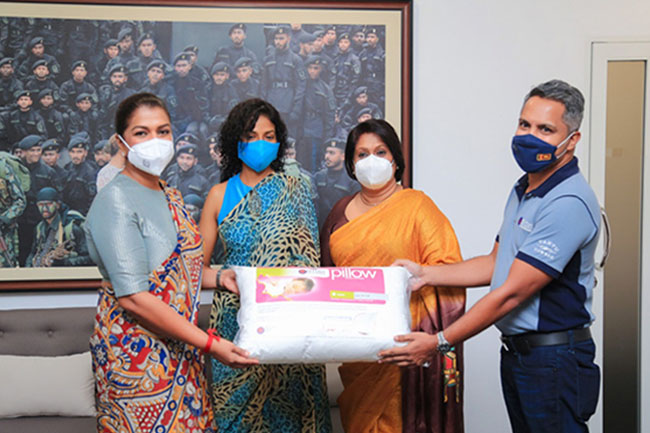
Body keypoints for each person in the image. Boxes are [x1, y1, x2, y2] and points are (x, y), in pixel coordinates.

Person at [382, 80, 601, 433]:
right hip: (521, 354)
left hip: (555, 359)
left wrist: (439, 342)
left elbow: (511, 292)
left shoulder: (567, 202)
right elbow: (495, 262)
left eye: (546, 129)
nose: (529, 136)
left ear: (571, 140)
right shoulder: (526, 187)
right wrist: (424, 273)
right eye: (524, 124)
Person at [85, 92, 257, 433]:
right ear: (122, 142)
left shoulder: (169, 193)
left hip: (182, 349)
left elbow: (181, 270)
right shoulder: (115, 200)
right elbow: (133, 296)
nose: (155, 141)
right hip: (136, 357)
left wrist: (222, 278)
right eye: (141, 133)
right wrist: (210, 344)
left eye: (163, 131)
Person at [320, 119, 465, 432]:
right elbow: (327, 279)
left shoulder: (417, 206)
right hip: (359, 350)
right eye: (362, 154)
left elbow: (449, 269)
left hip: (407, 346)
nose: (371, 161)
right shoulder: (338, 212)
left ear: (396, 160)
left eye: (380, 151)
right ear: (350, 163)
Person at [199, 98, 330, 432]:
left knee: (289, 420)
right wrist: (225, 278)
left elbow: (309, 264)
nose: (261, 143)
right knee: (235, 420)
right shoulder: (218, 195)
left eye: (269, 136)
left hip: (290, 323)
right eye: (252, 135)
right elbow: (194, 273)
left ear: (279, 143)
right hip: (236, 329)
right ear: (236, 142)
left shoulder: (296, 189)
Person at [26, 186, 90, 267]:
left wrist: (64, 262)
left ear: (57, 205)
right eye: (41, 205)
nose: (44, 208)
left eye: (48, 204)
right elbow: (33, 253)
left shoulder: (71, 228)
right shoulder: (39, 228)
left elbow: (89, 258)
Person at [314, 137, 360, 228]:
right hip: (321, 227)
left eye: (332, 153)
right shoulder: (318, 177)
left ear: (343, 156)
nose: (327, 156)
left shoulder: (352, 181)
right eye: (326, 152)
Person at [0, 151, 27, 267]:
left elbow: (20, 202)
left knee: (7, 266)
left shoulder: (4, 170)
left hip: (4, 231)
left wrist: (4, 219)